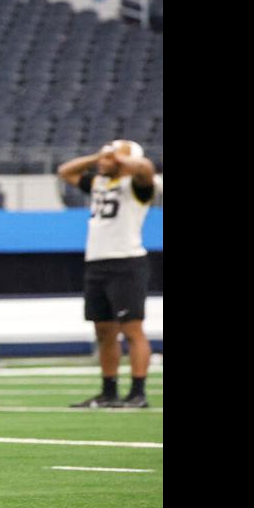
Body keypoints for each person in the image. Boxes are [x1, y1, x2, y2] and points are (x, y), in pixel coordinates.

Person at [56, 139, 162, 408]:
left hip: (126, 262)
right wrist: (97, 157)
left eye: (111, 157)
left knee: (132, 329)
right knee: (103, 330)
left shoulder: (137, 186)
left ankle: (138, 393)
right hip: (97, 262)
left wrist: (118, 158)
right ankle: (108, 391)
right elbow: (65, 171)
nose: (105, 160)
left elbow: (146, 168)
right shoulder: (100, 183)